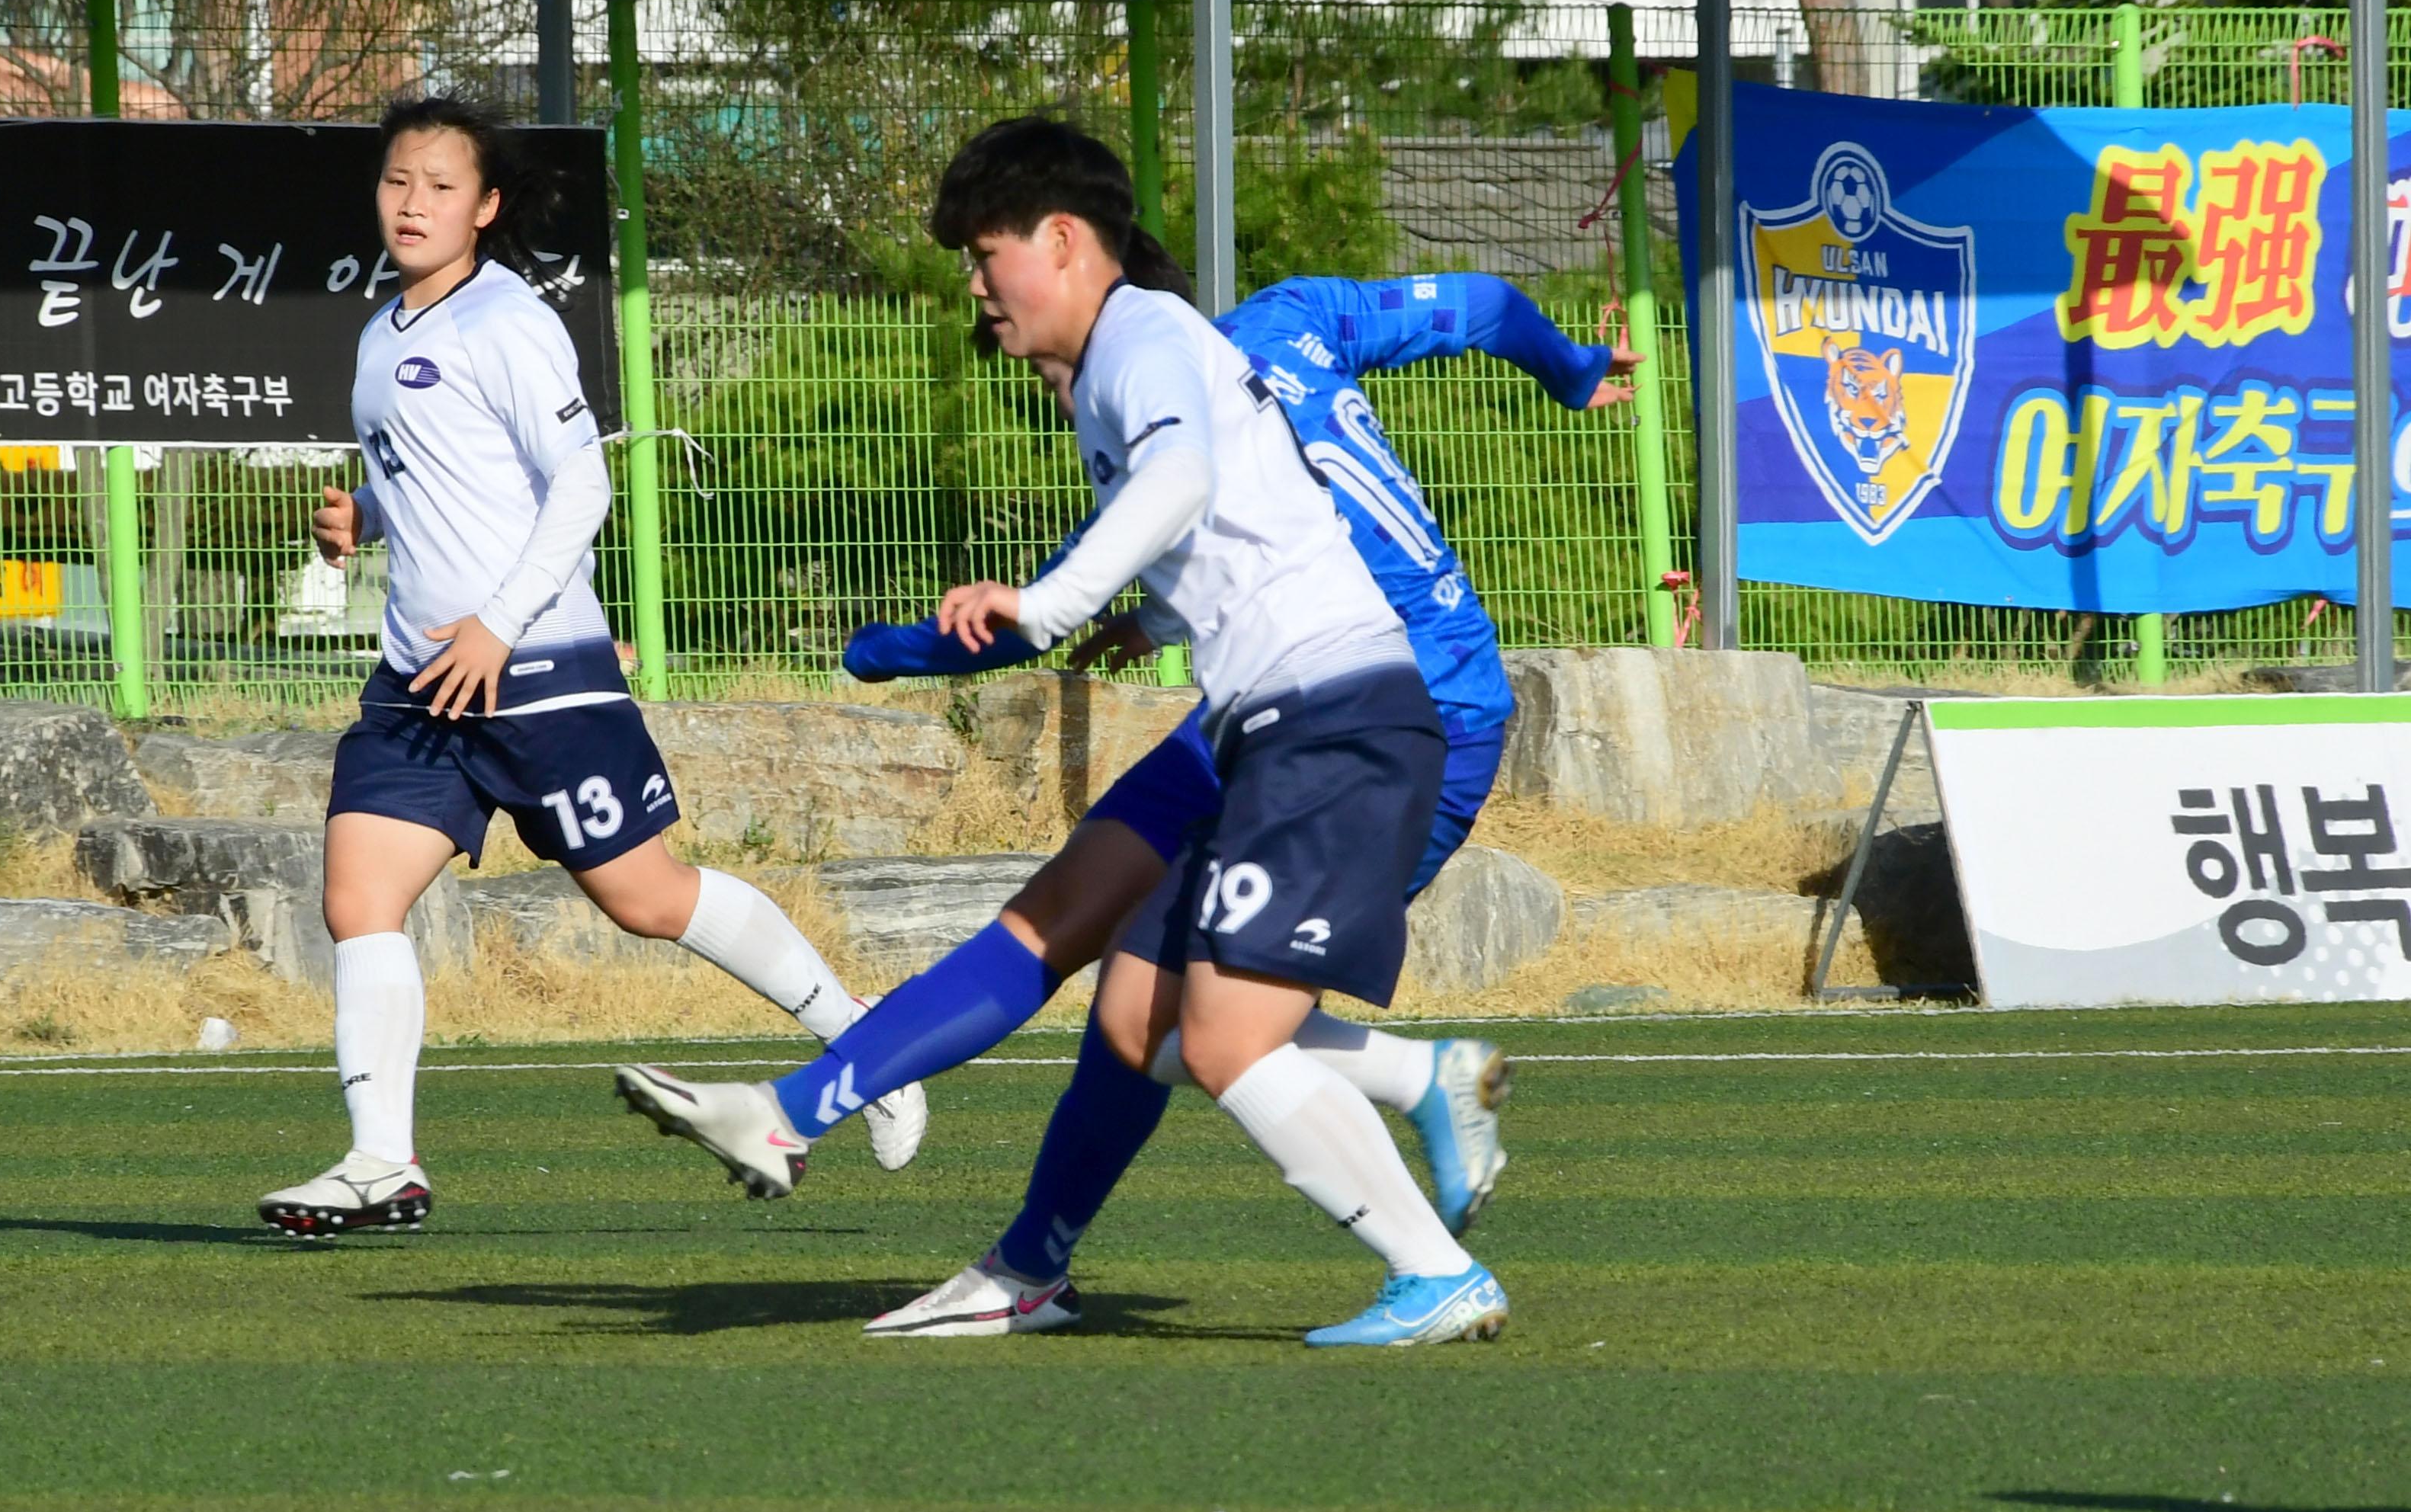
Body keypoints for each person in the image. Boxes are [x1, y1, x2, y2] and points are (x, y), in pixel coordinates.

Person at [620, 117, 1616, 1347]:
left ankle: (1429, 1214)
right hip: (1279, 719)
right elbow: (1230, 511)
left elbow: (1184, 485)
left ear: (1065, 240)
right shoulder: (1151, 364)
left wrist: (1047, 603)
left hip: (1361, 710)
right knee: (1135, 996)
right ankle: (937, 1199)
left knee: (1225, 1032)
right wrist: (1107, 618)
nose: (979, 297)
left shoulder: (1144, 338)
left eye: (989, 260)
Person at [256, 96, 922, 1240]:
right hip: (418, 679)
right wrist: (365, 513)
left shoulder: (507, 321)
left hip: (536, 669)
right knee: (359, 900)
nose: (413, 204)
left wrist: (498, 626)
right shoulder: (382, 332)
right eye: (397, 182)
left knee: (649, 902)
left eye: (442, 187)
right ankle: (382, 1163)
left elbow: (580, 486)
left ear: (488, 207)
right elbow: (451, 478)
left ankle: (868, 1043)